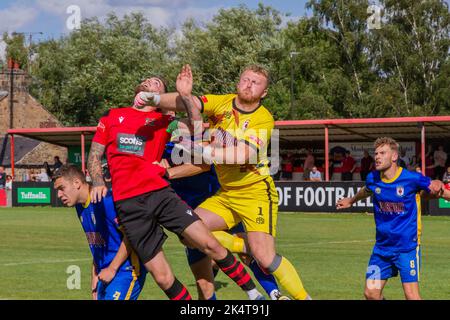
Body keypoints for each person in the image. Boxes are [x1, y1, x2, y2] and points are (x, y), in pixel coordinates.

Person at [144, 64, 311, 300]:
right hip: (226, 194)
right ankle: (244, 246)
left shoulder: (263, 119)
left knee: (265, 258)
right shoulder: (221, 102)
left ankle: (304, 298)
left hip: (255, 192)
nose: (249, 84)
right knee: (188, 232)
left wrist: (203, 151)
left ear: (264, 93)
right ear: (238, 82)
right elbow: (189, 104)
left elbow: (242, 155)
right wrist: (154, 97)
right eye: (246, 79)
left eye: (256, 83)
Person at [88, 74, 260, 301]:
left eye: (157, 83)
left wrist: (187, 97)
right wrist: (98, 181)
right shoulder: (112, 116)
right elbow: (94, 155)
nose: (150, 81)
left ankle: (255, 295)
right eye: (148, 79)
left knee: (210, 245)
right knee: (163, 278)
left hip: (160, 194)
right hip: (128, 205)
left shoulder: (165, 122)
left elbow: (197, 130)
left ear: (162, 97)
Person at [161, 137, 288, 300]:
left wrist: (167, 172)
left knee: (249, 255)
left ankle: (275, 295)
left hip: (221, 204)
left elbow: (204, 164)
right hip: (191, 213)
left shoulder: (195, 136)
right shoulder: (155, 146)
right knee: (204, 283)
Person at [336, 137, 449, 300]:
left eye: (382, 153)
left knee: (412, 296)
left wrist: (437, 181)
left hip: (407, 248)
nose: (377, 157)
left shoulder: (411, 178)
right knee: (371, 294)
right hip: (381, 249)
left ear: (394, 156)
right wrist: (351, 200)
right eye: (376, 153)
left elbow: (437, 189)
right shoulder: (373, 178)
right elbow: (366, 191)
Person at [53, 164, 147, 300]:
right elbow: (97, 245)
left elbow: (132, 233)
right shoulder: (80, 207)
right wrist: (94, 276)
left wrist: (112, 269)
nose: (59, 194)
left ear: (77, 183)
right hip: (104, 273)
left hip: (126, 271)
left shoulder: (106, 201)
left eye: (62, 188)